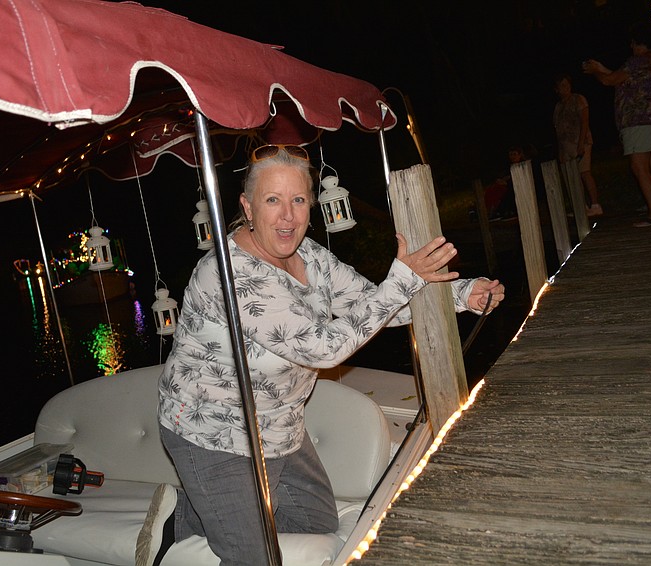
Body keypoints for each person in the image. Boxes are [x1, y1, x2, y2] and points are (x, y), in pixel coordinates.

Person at [136, 143, 505, 566]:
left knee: (314, 521)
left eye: (298, 200)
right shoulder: (229, 274)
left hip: (279, 422)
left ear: (311, 204)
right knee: (253, 557)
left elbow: (370, 305)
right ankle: (196, 515)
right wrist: (400, 281)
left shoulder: (307, 255)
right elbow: (325, 347)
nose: (287, 215)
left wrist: (461, 294)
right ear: (248, 207)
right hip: (213, 434)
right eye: (272, 200)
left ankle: (197, 513)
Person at [583, 21, 651, 227]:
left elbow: (610, 80)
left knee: (639, 166)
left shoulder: (637, 61)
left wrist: (595, 71)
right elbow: (621, 76)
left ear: (640, 42)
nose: (631, 47)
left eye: (633, 43)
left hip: (638, 119)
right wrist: (601, 68)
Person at [552, 73, 603, 216]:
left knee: (584, 172)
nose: (564, 88)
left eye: (566, 85)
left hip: (581, 142)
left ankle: (595, 204)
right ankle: (581, 207)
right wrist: (560, 150)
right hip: (566, 145)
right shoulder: (558, 106)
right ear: (556, 89)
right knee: (571, 176)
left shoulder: (578, 99)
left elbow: (585, 121)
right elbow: (558, 129)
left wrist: (581, 143)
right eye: (561, 86)